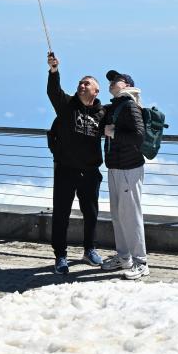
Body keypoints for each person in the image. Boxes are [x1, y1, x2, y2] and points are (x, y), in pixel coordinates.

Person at [45, 53, 104, 274]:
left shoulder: (102, 113)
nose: (81, 85)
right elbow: (53, 92)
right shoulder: (67, 106)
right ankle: (60, 256)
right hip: (66, 170)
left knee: (91, 214)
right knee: (61, 214)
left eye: (86, 83)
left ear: (95, 91)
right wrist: (54, 71)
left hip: (90, 172)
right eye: (80, 82)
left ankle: (89, 250)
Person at [101, 69, 149, 280]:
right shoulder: (117, 106)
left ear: (127, 85)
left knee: (130, 216)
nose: (111, 83)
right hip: (116, 167)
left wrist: (113, 133)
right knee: (119, 216)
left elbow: (139, 137)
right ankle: (124, 258)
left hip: (129, 169)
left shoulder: (130, 105)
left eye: (116, 80)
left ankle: (141, 262)